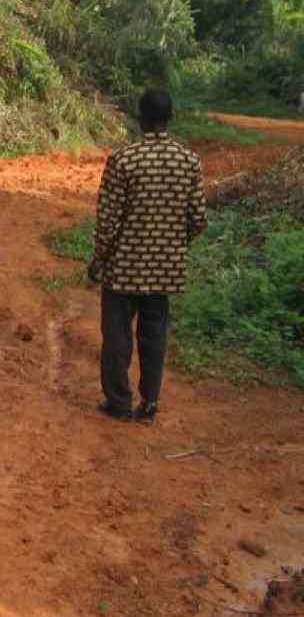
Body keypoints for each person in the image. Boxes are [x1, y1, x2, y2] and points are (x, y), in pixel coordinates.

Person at [88, 89, 207, 424]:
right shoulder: (188, 161)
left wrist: (99, 261)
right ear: (169, 118)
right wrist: (171, 246)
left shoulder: (123, 160)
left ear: (140, 118)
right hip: (163, 274)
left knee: (117, 337)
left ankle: (119, 402)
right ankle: (150, 403)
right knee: (154, 337)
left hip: (122, 271)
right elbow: (198, 219)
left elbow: (108, 220)